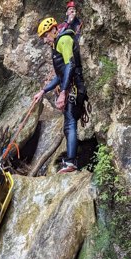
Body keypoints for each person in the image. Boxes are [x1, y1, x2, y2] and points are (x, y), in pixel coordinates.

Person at [34, 17, 87, 173]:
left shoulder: (63, 40)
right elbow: (60, 74)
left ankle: (71, 162)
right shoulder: (57, 44)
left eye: (45, 35)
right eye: (43, 37)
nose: (44, 40)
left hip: (74, 88)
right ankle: (71, 160)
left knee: (70, 124)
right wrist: (43, 91)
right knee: (68, 124)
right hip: (71, 87)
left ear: (54, 30)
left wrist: (63, 91)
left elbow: (70, 64)